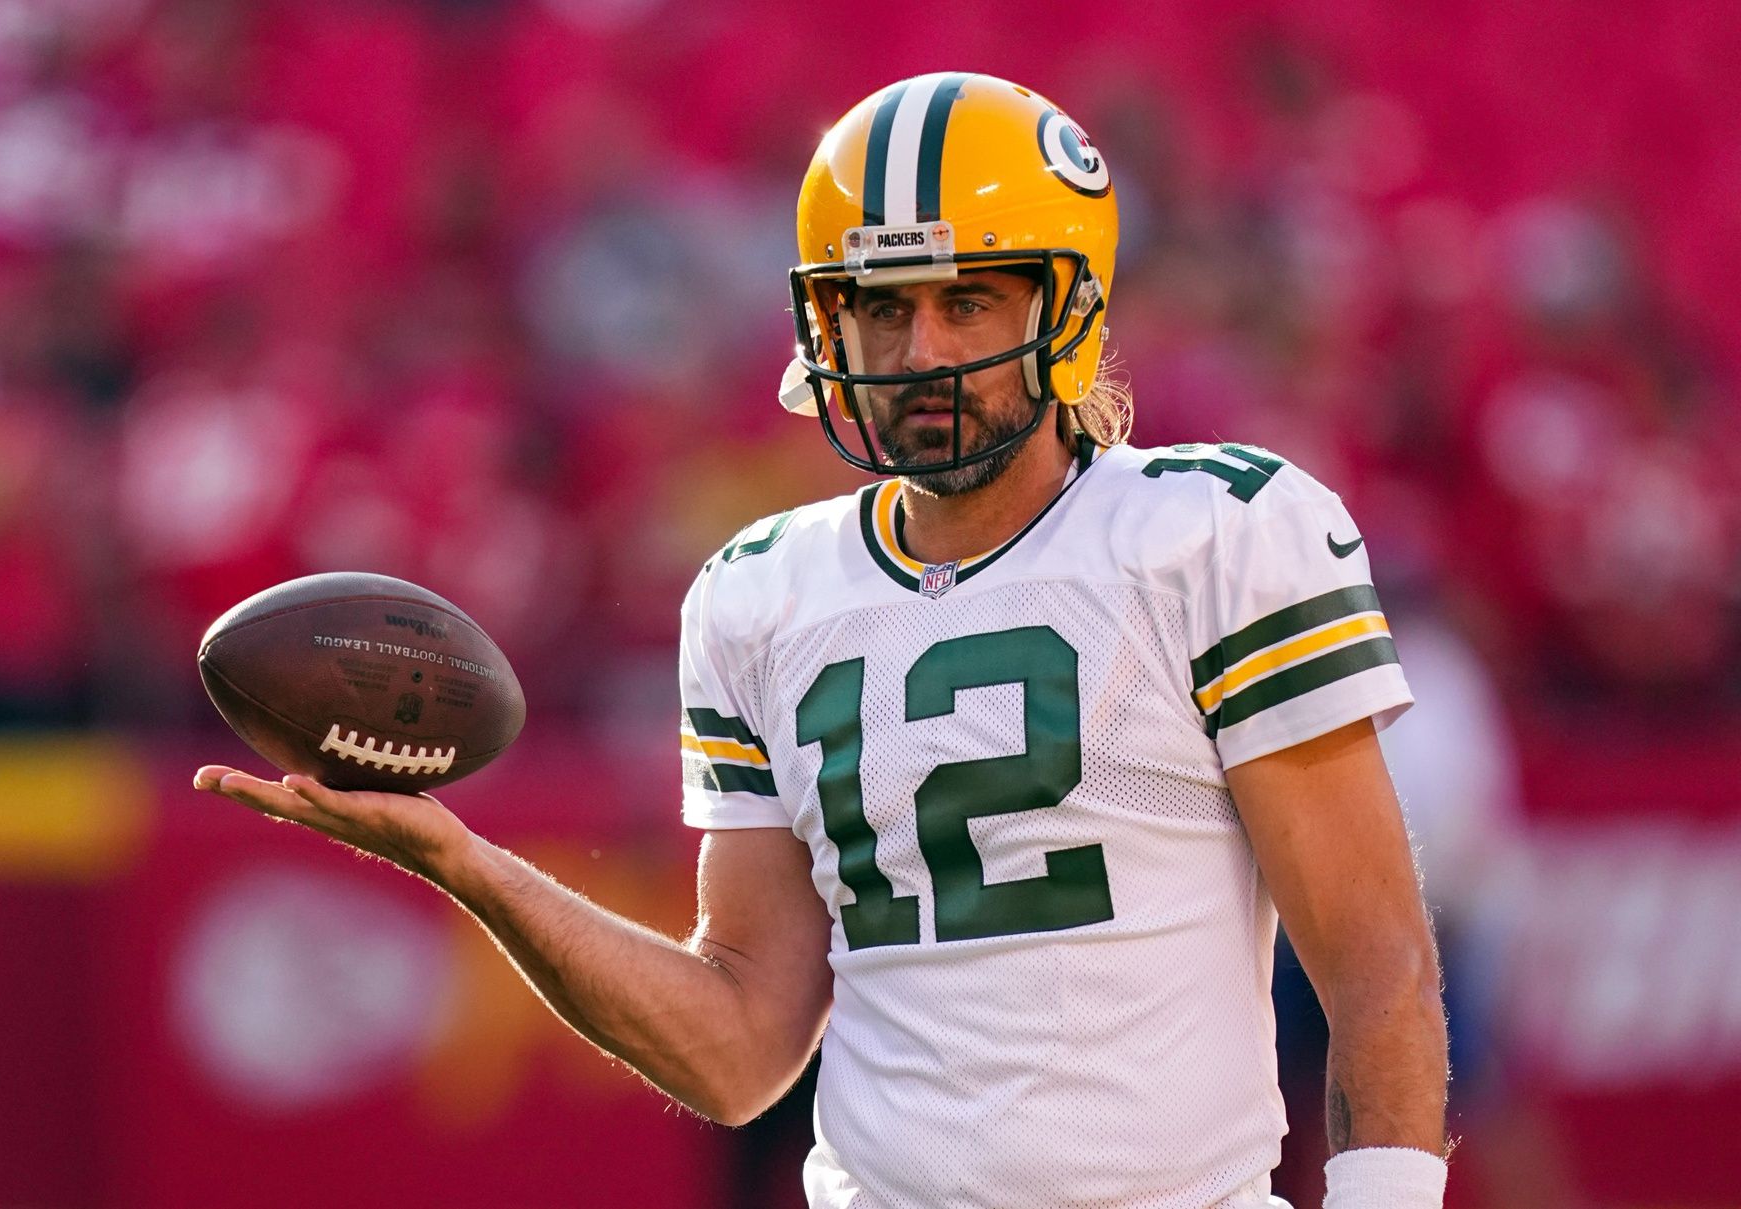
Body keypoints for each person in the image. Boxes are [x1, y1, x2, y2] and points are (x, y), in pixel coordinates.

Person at [196, 73, 1449, 1208]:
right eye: (880, 310)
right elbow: (741, 1050)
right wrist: (472, 868)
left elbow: (1375, 966)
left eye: (967, 300)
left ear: (1066, 306)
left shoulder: (1210, 533)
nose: (922, 354)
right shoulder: (761, 592)